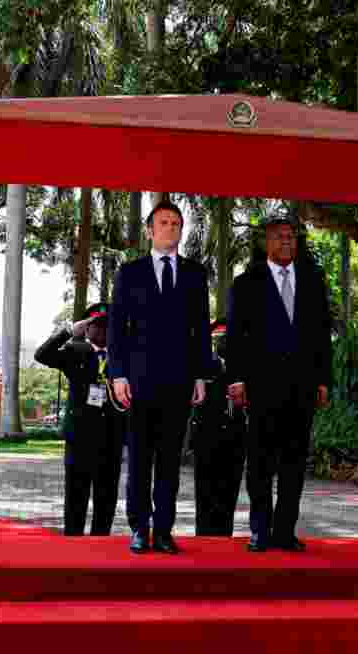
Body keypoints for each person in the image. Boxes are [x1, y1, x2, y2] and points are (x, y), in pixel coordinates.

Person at [107, 200, 210, 554]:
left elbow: (201, 331)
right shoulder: (130, 273)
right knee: (139, 458)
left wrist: (200, 375)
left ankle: (164, 530)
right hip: (138, 381)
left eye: (177, 223)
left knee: (169, 459)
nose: (171, 228)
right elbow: (116, 329)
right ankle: (139, 527)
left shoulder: (196, 274)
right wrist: (117, 374)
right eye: (164, 223)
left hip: (180, 380)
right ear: (150, 230)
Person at [226, 217, 332, 552]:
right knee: (260, 462)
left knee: (294, 461)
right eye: (279, 237)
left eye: (291, 237)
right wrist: (237, 379)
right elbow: (235, 337)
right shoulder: (246, 283)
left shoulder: (314, 281)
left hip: (301, 387)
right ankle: (259, 529)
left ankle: (285, 530)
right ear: (266, 242)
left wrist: (323, 380)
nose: (287, 241)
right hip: (261, 386)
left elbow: (321, 336)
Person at [34, 303, 124, 536]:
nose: (102, 331)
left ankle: (100, 539)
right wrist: (68, 332)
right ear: (86, 328)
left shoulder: (124, 354)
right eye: (96, 326)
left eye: (108, 326)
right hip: (80, 435)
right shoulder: (75, 350)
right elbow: (42, 355)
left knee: (106, 493)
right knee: (76, 492)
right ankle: (73, 541)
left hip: (111, 434)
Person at [191, 319, 248, 536]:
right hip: (206, 434)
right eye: (218, 339)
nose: (222, 343)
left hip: (235, 434)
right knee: (205, 491)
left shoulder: (242, 366)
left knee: (229, 490)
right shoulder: (203, 366)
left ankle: (224, 535)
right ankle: (204, 536)